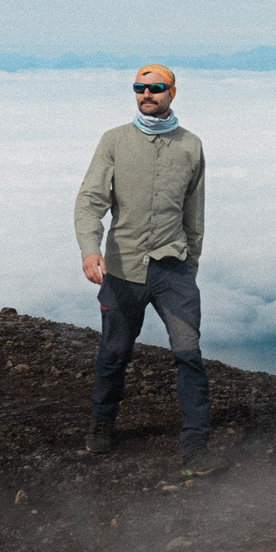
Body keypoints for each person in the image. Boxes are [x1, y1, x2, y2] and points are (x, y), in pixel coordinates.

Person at [74, 64, 212, 469]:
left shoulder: (191, 146)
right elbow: (90, 200)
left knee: (189, 354)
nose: (146, 94)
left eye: (155, 88)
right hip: (121, 269)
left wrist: (192, 268)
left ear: (172, 92)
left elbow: (195, 214)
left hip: (173, 270)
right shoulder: (114, 141)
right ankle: (102, 422)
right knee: (114, 353)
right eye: (140, 87)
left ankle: (196, 447)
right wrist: (89, 249)